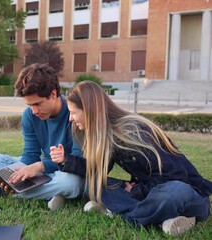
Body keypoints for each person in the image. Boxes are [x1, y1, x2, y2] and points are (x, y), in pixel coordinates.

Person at [51, 81, 212, 236]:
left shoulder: (133, 132)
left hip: (189, 194)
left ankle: (121, 213)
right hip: (148, 191)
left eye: (73, 113)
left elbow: (177, 176)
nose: (70, 118)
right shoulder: (107, 135)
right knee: (93, 184)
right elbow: (98, 169)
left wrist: (137, 190)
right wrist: (65, 160)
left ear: (89, 110)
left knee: (173, 193)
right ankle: (161, 219)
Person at [0, 63, 84, 211]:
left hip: (66, 169)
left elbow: (76, 159)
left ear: (53, 94)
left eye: (37, 104)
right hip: (43, 169)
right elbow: (30, 155)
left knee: (72, 183)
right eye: (30, 105)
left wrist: (41, 166)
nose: (34, 111)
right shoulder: (29, 115)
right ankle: (47, 192)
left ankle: (12, 193)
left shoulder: (74, 113)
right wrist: (17, 174)